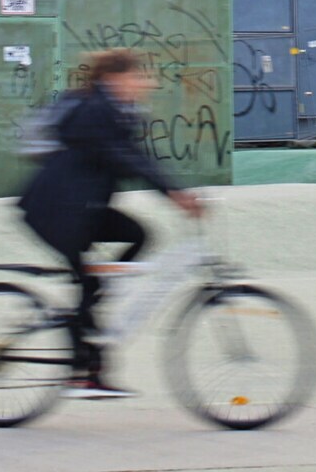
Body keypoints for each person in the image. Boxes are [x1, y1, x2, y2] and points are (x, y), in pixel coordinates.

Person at [18, 48, 203, 399]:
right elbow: (123, 158)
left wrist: (176, 190)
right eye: (138, 76)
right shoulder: (94, 110)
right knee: (86, 288)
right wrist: (174, 194)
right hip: (56, 211)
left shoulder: (119, 113)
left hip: (83, 209)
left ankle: (99, 307)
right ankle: (80, 373)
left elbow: (137, 156)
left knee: (137, 234)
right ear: (114, 79)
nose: (146, 83)